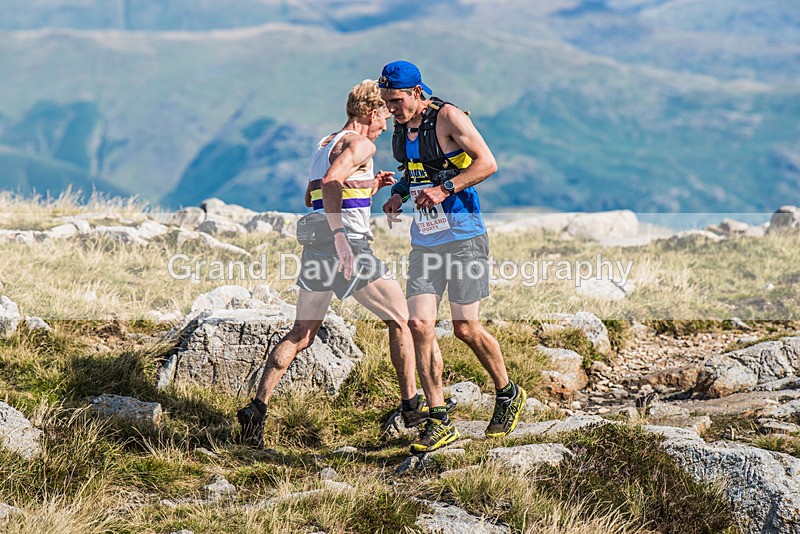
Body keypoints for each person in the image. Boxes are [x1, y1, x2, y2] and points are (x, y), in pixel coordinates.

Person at [237, 79, 427, 449]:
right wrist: (342, 236)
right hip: (348, 247)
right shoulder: (361, 143)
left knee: (301, 334)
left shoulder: (325, 143)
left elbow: (315, 192)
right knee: (402, 320)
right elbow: (330, 182)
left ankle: (256, 410)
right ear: (372, 113)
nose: (387, 125)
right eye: (384, 116)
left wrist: (371, 186)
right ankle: (412, 408)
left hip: (316, 246)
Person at [379, 61, 527, 453]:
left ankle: (507, 392)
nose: (390, 108)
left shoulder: (448, 116)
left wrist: (446, 189)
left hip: (465, 238)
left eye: (396, 101)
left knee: (465, 329)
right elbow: (414, 170)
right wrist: (398, 193)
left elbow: (487, 163)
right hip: (426, 242)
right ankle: (439, 417)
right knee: (419, 324)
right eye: (386, 102)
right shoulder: (402, 126)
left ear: (416, 93)